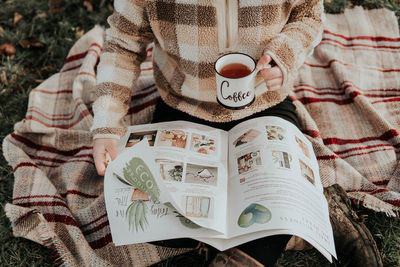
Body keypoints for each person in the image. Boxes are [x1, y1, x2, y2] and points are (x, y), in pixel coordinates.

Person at [91, 1, 382, 266]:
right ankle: (305, 219)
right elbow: (123, 44)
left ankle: (285, 224)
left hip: (265, 103)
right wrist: (106, 124)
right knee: (157, 219)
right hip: (182, 106)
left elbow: (308, 15)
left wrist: (286, 55)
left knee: (268, 203)